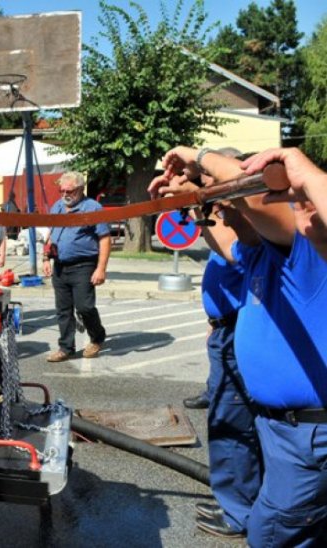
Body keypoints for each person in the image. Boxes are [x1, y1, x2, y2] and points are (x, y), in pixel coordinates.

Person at [160, 145, 327, 547]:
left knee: (271, 534)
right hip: (284, 427)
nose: (227, 214)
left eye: (229, 204)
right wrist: (195, 199)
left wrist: (197, 156)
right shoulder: (256, 255)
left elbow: (251, 199)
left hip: (306, 432)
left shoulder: (303, 254)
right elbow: (225, 236)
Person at [149, 168, 263, 539]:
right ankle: (240, 501)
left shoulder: (238, 225)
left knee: (231, 424)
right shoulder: (230, 221)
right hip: (227, 327)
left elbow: (231, 251)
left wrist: (196, 203)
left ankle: (239, 513)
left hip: (233, 331)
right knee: (233, 421)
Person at [42, 172, 110, 362]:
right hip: (60, 265)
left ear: (80, 189)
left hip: (84, 265)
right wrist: (45, 258)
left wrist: (101, 268)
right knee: (63, 309)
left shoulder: (93, 208)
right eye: (61, 190)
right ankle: (65, 348)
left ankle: (97, 337)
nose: (65, 194)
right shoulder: (57, 207)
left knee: (85, 307)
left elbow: (104, 238)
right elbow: (50, 233)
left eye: (69, 190)